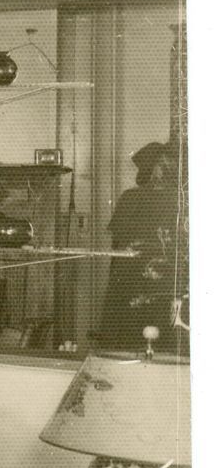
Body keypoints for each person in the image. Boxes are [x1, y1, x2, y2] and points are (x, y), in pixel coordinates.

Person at [98, 139, 184, 350]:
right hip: (136, 278)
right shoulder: (132, 198)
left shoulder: (178, 200)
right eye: (162, 165)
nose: (166, 170)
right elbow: (118, 248)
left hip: (159, 279)